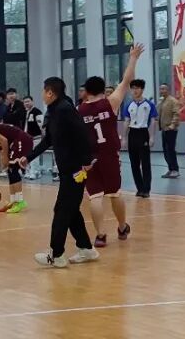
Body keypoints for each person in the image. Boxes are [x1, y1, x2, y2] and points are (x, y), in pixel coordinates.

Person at [18, 76, 97, 268]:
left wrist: (86, 161)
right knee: (71, 210)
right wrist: (29, 157)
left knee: (62, 210)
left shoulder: (65, 109)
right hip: (66, 169)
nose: (42, 95)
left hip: (75, 170)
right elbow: (48, 140)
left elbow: (83, 134)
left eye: (44, 91)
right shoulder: (53, 111)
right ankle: (86, 248)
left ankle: (56, 254)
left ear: (50, 92)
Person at [81, 46, 141, 247]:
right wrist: (133, 58)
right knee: (114, 193)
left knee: (95, 197)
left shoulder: (79, 110)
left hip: (90, 157)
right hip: (109, 154)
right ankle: (122, 227)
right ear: (102, 89)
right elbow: (126, 80)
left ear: (86, 92)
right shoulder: (111, 102)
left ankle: (100, 235)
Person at [123, 79, 158, 198]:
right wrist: (124, 138)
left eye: (137, 88)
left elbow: (153, 121)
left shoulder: (149, 105)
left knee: (145, 163)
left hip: (143, 133)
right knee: (134, 163)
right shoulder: (129, 105)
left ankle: (146, 189)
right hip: (132, 133)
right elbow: (126, 121)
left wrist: (151, 137)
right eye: (133, 88)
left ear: (142, 89)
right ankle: (139, 188)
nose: (135, 91)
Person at [158, 83, 182, 179]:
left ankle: (175, 170)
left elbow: (176, 114)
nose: (162, 91)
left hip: (171, 129)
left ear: (168, 90)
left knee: (171, 150)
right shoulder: (162, 101)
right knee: (166, 150)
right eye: (161, 89)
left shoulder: (173, 101)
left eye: (164, 89)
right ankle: (170, 169)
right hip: (164, 129)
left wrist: (172, 125)